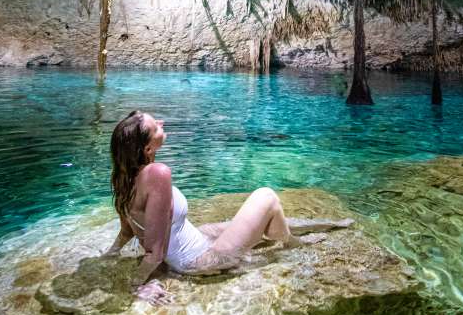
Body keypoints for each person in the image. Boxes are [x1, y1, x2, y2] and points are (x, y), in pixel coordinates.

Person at [104, 110, 353, 304]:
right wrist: (135, 285)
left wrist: (111, 253)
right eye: (155, 126)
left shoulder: (124, 178)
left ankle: (299, 231)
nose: (162, 122)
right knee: (266, 196)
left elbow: (129, 230)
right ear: (147, 149)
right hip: (200, 260)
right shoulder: (158, 173)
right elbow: (154, 254)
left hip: (196, 240)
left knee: (260, 221)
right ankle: (291, 242)